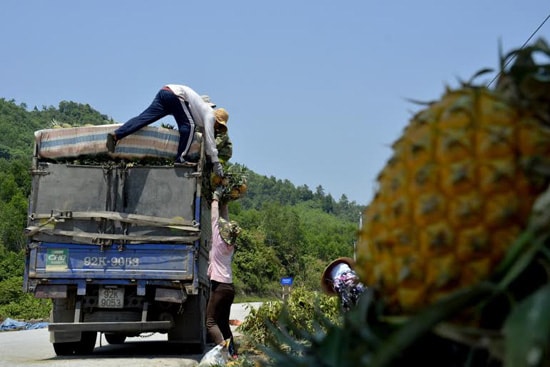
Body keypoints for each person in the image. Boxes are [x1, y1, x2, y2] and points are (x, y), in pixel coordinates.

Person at [105, 84, 225, 177]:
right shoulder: (210, 116)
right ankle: (181, 159)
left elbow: (206, 140)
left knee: (144, 118)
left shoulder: (201, 112)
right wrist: (216, 163)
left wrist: (210, 158)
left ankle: (116, 135)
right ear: (217, 122)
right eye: (219, 127)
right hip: (176, 95)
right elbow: (209, 139)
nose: (217, 129)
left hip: (165, 91)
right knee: (190, 127)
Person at [206, 187, 241, 359]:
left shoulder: (218, 240)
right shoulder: (230, 245)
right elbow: (225, 222)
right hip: (229, 288)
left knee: (210, 322)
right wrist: (225, 203)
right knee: (224, 324)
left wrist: (216, 199)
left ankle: (224, 349)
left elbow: (215, 218)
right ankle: (234, 355)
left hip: (219, 286)